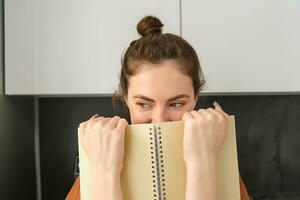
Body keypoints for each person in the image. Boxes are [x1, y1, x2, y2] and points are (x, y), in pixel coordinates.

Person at [66, 16, 250, 200]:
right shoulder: (93, 171)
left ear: (194, 99)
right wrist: (104, 172)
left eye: (176, 104)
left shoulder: (222, 170)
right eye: (144, 104)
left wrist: (202, 163)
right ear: (126, 99)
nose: (160, 119)